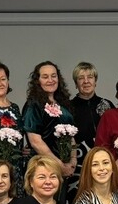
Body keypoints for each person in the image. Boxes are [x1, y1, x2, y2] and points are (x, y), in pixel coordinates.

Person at [22, 61, 77, 190]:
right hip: (43, 168)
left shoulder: (63, 103)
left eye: (53, 76)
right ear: (38, 81)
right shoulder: (33, 105)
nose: (50, 80)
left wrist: (73, 161)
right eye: (45, 77)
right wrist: (59, 165)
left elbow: (71, 135)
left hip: (65, 168)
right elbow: (35, 141)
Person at [70, 62, 115, 155]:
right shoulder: (68, 107)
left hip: (106, 157)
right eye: (81, 78)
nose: (86, 81)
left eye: (90, 77)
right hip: (79, 158)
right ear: (76, 83)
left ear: (95, 82)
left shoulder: (107, 105)